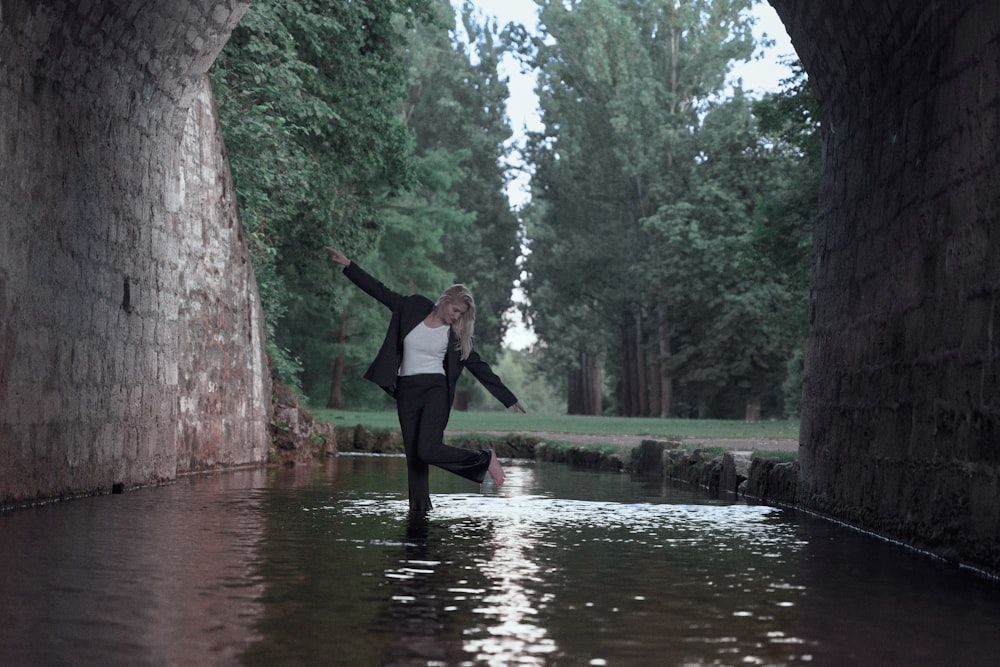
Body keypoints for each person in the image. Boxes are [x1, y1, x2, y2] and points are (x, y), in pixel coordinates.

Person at [326, 247, 526, 513]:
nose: (457, 317)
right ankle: (420, 510)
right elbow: (380, 291)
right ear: (444, 301)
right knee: (415, 458)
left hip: (435, 391)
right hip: (406, 391)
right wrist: (349, 265)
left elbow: (478, 366)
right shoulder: (412, 307)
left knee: (428, 450)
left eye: (461, 314)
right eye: (455, 310)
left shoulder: (455, 336)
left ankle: (485, 458)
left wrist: (508, 397)